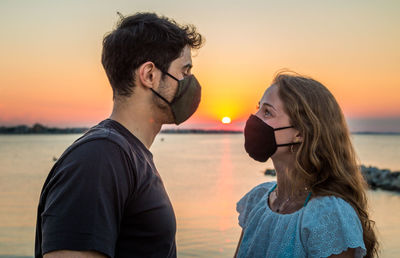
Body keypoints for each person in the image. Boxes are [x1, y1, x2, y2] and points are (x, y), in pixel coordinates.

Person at [35, 12, 203, 258]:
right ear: (149, 75)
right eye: (185, 71)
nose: (191, 82)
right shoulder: (99, 157)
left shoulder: (127, 154)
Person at [235, 72, 378, 258]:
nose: (254, 119)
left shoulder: (328, 216)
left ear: (301, 132)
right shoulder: (257, 200)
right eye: (258, 108)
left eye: (267, 112)